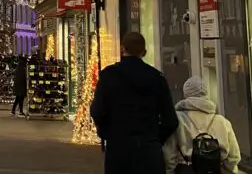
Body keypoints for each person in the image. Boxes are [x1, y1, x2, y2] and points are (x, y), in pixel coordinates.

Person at [91, 32, 178, 174]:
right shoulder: (157, 78)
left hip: (118, 151)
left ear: (122, 48)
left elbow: (97, 111)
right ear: (144, 52)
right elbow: (171, 120)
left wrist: (108, 134)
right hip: (149, 152)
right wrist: (155, 139)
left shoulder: (109, 76)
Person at [163, 76, 241, 174]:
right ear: (206, 94)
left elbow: (169, 156)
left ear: (186, 93)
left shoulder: (178, 120)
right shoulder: (222, 122)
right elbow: (234, 156)